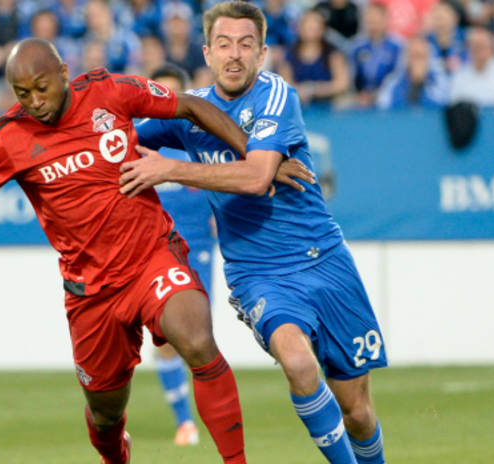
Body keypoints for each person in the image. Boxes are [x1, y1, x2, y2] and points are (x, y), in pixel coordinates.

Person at [0, 38, 259, 464]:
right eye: (23, 94)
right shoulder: (8, 137)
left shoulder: (110, 91)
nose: (35, 101)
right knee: (105, 414)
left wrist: (252, 156)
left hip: (151, 258)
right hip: (90, 292)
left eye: (41, 87)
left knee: (198, 340)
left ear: (63, 73)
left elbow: (189, 105)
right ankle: (116, 456)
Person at [122, 2, 388, 463]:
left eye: (246, 45)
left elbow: (256, 177)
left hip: (324, 259)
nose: (234, 54)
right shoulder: (191, 111)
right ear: (206, 52)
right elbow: (118, 143)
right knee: (300, 364)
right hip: (257, 272)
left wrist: (172, 167)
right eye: (223, 44)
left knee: (359, 412)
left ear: (262, 53)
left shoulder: (276, 96)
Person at [147, 63, 211, 447]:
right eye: (157, 93)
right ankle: (185, 421)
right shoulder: (136, 138)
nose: (163, 101)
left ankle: (204, 416)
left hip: (200, 249)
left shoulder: (200, 136)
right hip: (156, 249)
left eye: (171, 93)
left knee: (198, 338)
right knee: (169, 337)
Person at [278, 9, 350, 107]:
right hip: (298, 106)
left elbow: (342, 84)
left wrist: (316, 90)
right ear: (299, 28)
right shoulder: (289, 54)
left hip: (329, 104)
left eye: (315, 24)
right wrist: (301, 91)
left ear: (322, 28)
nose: (311, 27)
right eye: (307, 24)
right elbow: (285, 85)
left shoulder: (333, 54)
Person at [350, 2, 403, 107]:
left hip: (387, 96)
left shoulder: (397, 45)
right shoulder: (356, 46)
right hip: (360, 97)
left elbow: (399, 74)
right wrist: (359, 94)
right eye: (370, 22)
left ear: (385, 21)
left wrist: (378, 94)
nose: (373, 26)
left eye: (376, 21)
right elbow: (350, 75)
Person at [377, 35, 450, 109]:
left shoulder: (440, 81)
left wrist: (420, 84)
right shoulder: (392, 82)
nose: (418, 61)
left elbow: (443, 109)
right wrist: (413, 85)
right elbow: (383, 110)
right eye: (414, 56)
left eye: (421, 56)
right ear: (406, 58)